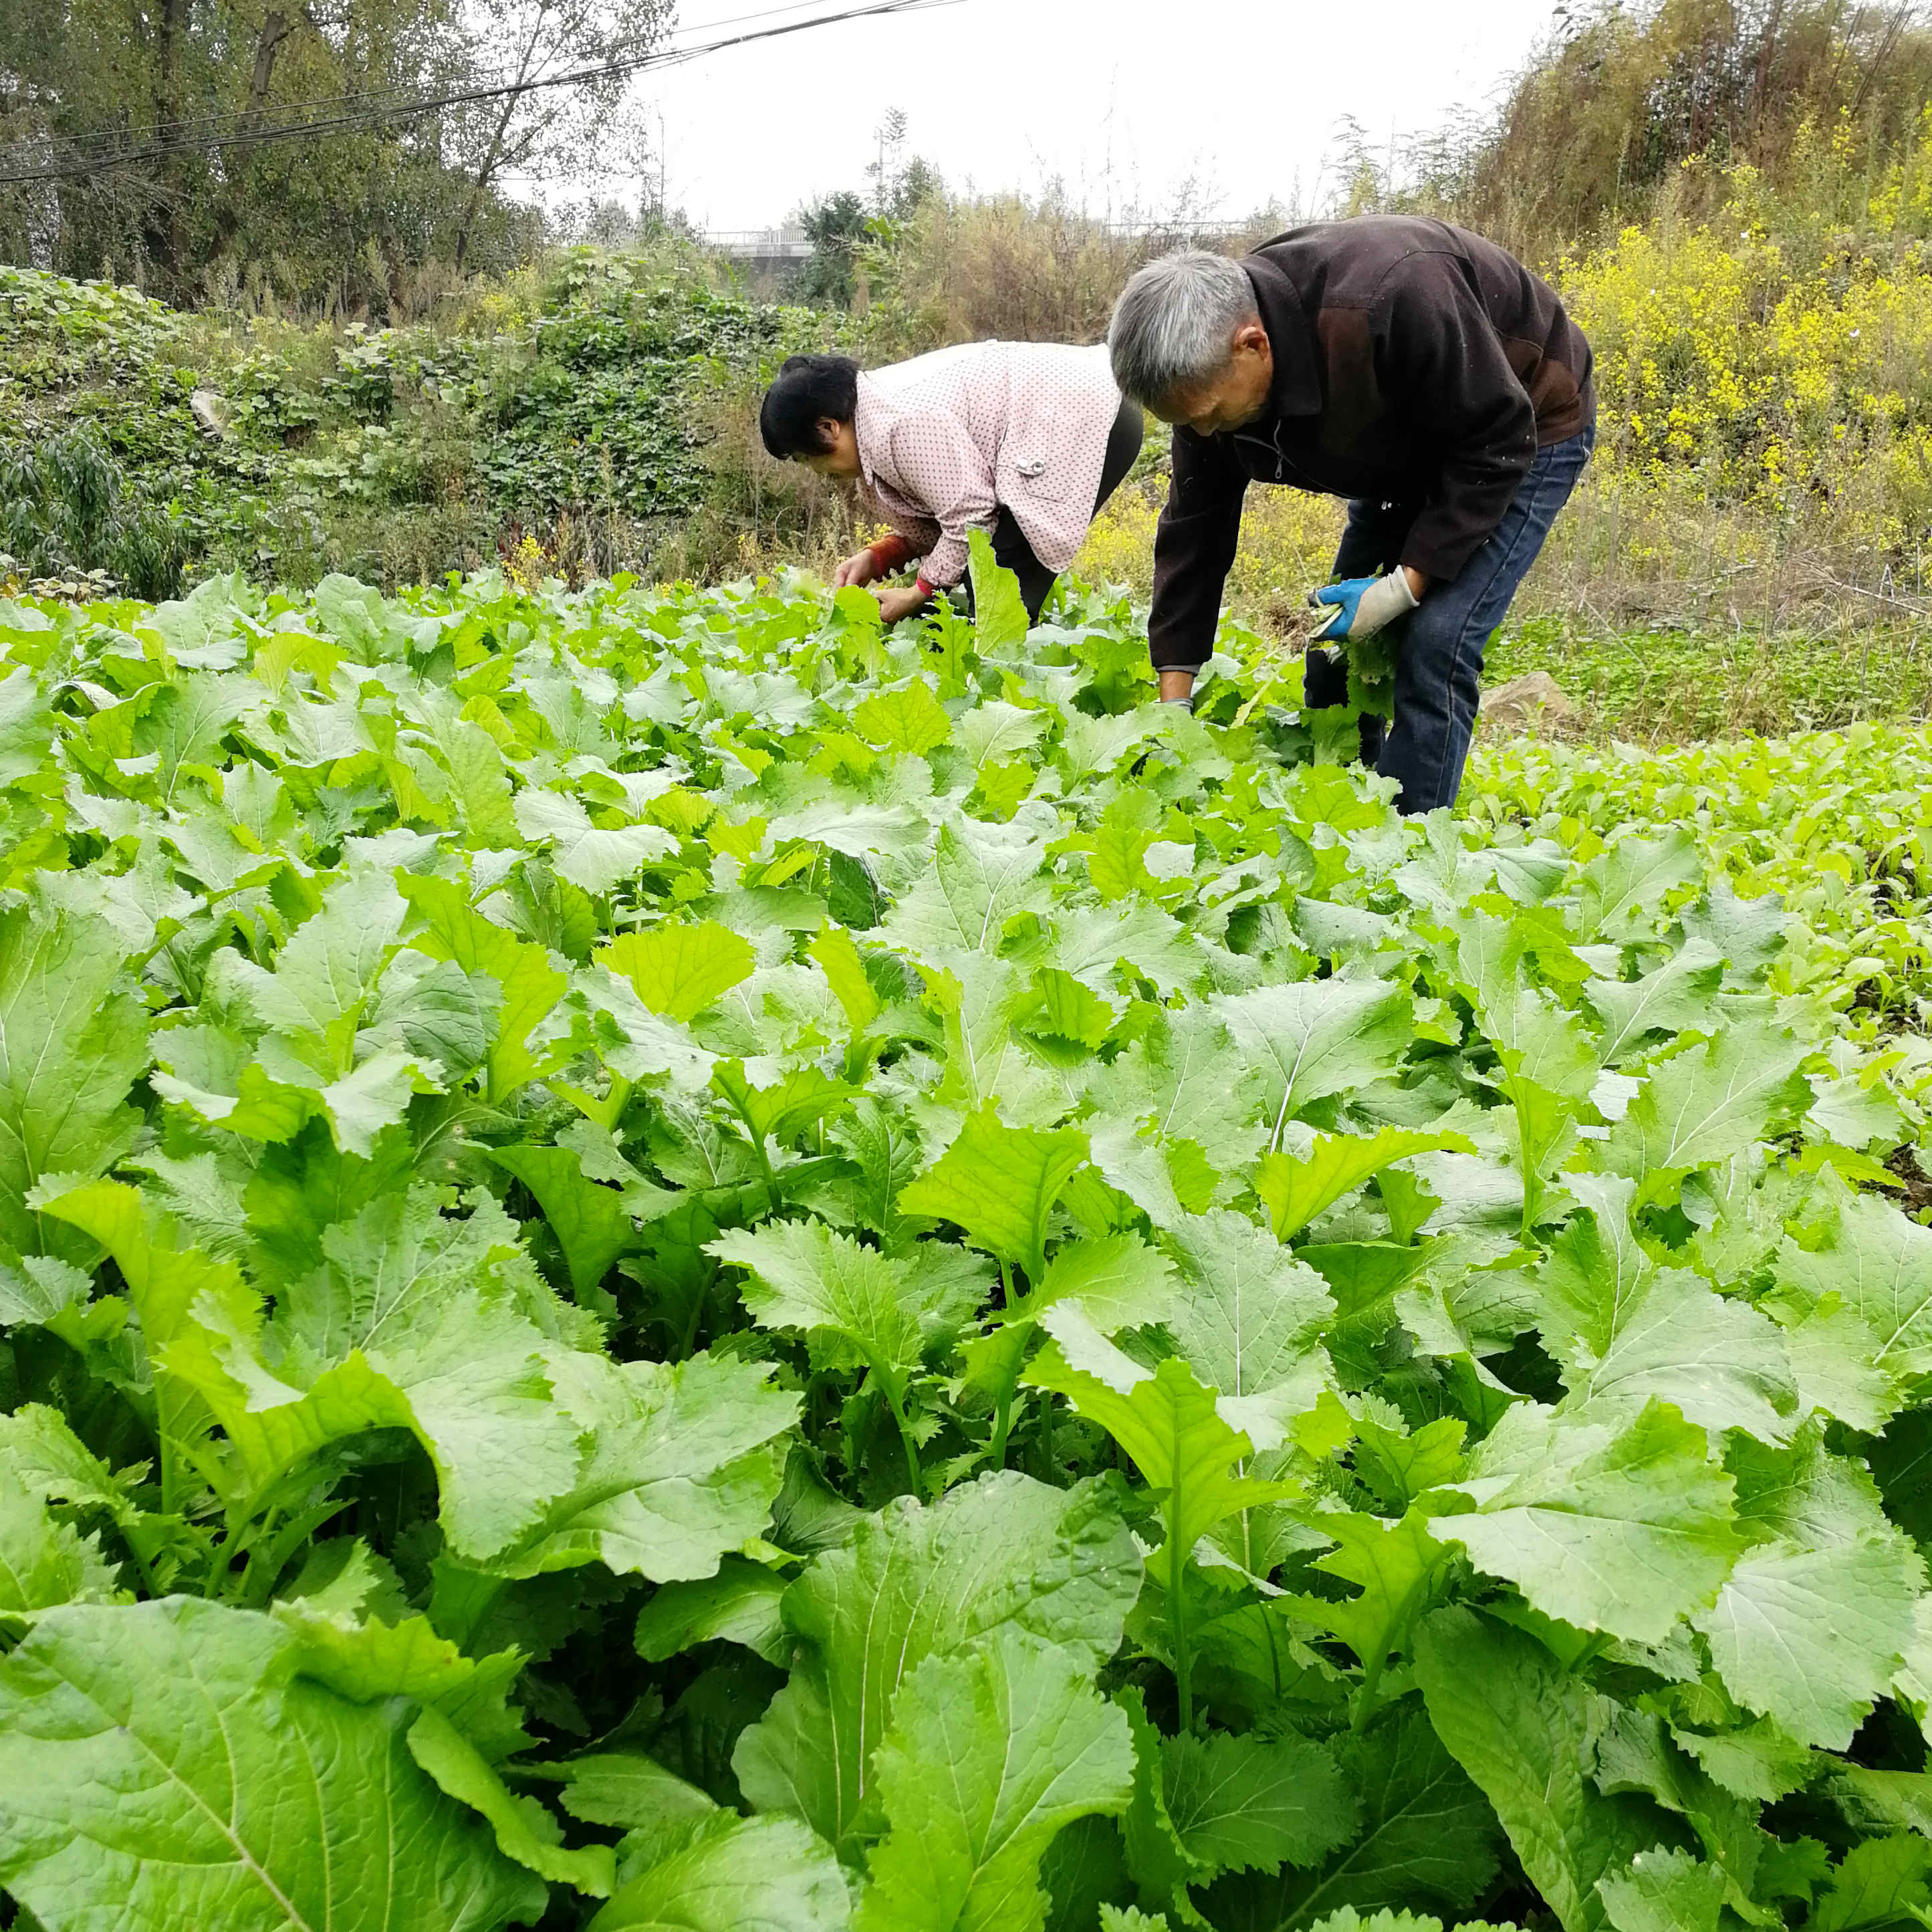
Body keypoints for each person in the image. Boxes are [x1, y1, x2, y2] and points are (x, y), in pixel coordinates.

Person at [1106, 218, 1595, 812]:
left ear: (1253, 345)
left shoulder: (1386, 301)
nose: (1203, 433)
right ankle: (1340, 815)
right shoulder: (1203, 384)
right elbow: (1195, 531)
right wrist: (1173, 706)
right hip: (1401, 443)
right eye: (1188, 424)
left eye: (1209, 414)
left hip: (1521, 427)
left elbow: (1495, 440)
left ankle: (1410, 852)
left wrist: (1404, 586)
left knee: (1436, 642)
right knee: (1334, 642)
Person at [757, 345, 1143, 626]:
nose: (813, 471)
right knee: (990, 585)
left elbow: (973, 518)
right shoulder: (870, 418)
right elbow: (943, 507)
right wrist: (879, 557)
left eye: (806, 458)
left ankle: (1015, 708)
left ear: (828, 428)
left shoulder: (898, 425)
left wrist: (917, 594)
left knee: (997, 592)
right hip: (1077, 410)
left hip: (1086, 417)